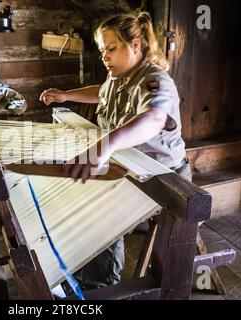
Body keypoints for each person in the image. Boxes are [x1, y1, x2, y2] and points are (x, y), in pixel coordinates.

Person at [39, 12, 192, 293]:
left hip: (162, 178)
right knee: (79, 198)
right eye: (102, 51)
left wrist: (105, 145)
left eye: (111, 49)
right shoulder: (119, 77)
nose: (104, 57)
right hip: (129, 167)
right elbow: (104, 93)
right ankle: (77, 274)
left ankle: (100, 289)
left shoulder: (155, 81)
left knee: (99, 214)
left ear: (135, 45)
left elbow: (154, 118)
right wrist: (67, 95)